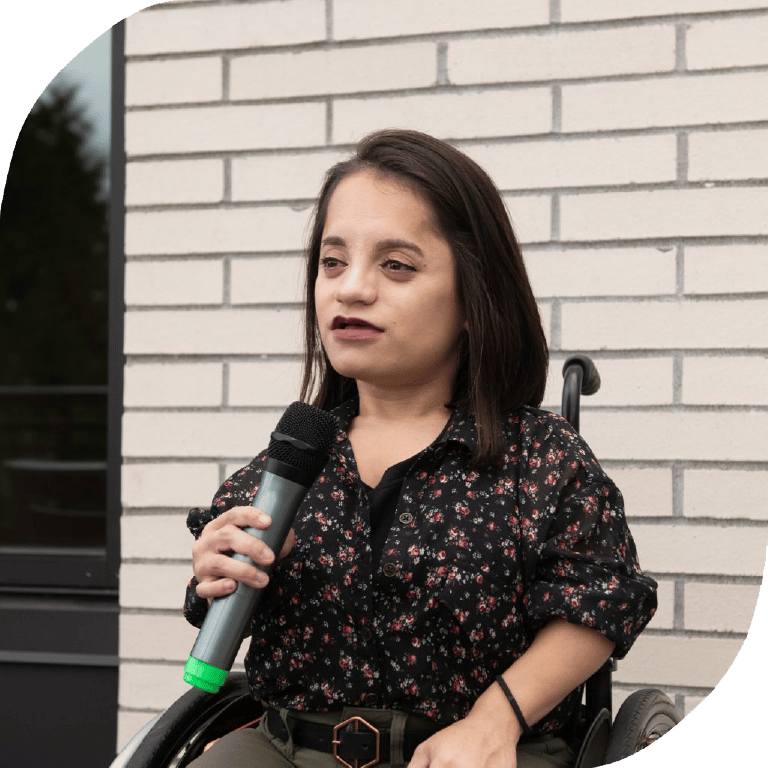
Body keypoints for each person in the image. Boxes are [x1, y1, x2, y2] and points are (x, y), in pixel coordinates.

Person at [183, 129, 658, 768]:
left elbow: (597, 604)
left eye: (396, 265)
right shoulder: (283, 469)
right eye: (332, 262)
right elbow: (219, 624)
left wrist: (494, 721)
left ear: (473, 296)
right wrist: (220, 572)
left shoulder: (539, 459)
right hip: (290, 748)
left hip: (474, 746)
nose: (351, 288)